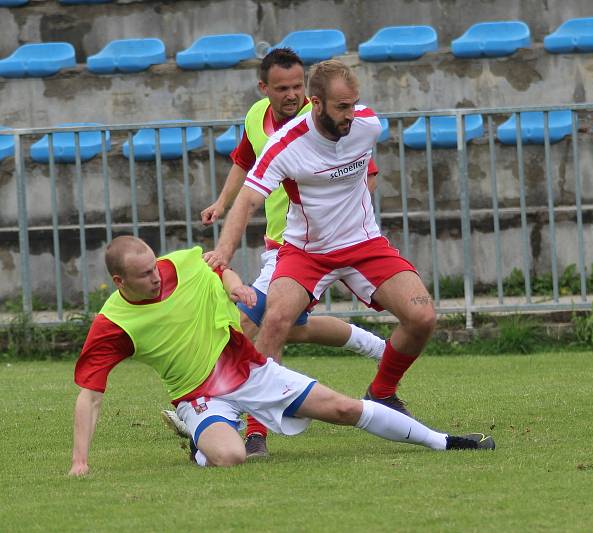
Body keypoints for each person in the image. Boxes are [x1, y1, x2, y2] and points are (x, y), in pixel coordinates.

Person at [68, 236, 494, 476]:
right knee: (231, 458)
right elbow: (90, 395)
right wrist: (80, 462)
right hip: (199, 394)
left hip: (248, 369)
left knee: (343, 408)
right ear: (119, 280)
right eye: (144, 276)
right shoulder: (113, 324)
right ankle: (203, 438)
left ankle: (444, 442)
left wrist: (235, 284)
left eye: (155, 267)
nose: (156, 276)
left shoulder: (178, 264)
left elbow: (215, 265)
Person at [162, 48, 386, 458]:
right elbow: (244, 162)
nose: (293, 94)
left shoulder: (326, 122)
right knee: (284, 325)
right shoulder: (256, 117)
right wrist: (222, 203)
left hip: (306, 246)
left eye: (299, 86)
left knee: (250, 323)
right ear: (264, 88)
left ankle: (238, 422)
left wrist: (347, 226)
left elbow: (364, 173)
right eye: (282, 88)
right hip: (278, 244)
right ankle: (375, 347)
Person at [206, 60, 436, 418]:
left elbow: (367, 174)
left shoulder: (367, 125)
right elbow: (249, 199)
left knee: (422, 316)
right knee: (274, 321)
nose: (351, 115)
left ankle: (381, 392)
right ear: (317, 104)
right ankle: (255, 430)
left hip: (364, 244)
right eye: (342, 107)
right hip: (306, 251)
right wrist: (224, 250)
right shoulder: (285, 144)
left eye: (354, 104)